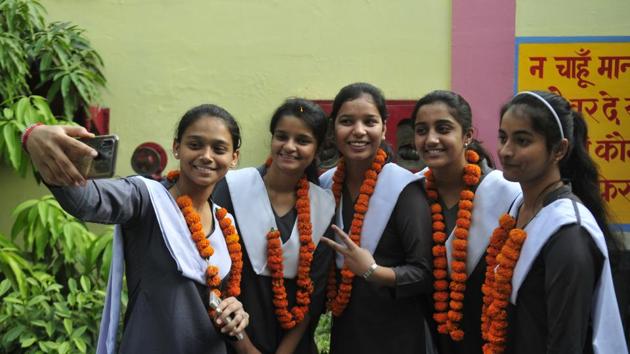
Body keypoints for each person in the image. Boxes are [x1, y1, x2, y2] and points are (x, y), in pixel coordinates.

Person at [24, 104, 250, 354]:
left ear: (234, 158)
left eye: (219, 149)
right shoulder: (146, 198)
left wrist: (236, 311)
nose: (206, 156)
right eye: (195, 145)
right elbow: (87, 201)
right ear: (176, 147)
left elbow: (219, 296)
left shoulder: (224, 221)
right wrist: (34, 136)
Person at [481, 91, 627, 354]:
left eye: (522, 141)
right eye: (503, 138)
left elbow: (566, 341)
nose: (505, 151)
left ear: (559, 149)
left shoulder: (568, 232)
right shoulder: (519, 208)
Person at [212, 98, 335, 354]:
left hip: (293, 344)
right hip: (228, 337)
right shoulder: (231, 189)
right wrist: (246, 349)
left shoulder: (322, 207)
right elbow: (211, 274)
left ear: (318, 148)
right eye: (282, 136)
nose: (289, 147)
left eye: (302, 140)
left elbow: (312, 296)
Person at [319, 82, 433, 354]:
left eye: (369, 121)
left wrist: (373, 271)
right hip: (347, 332)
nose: (358, 131)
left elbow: (423, 273)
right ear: (334, 129)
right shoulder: (325, 185)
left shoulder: (404, 188)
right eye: (347, 121)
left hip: (398, 336)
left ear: (383, 128)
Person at [412, 90, 520, 354]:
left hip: (491, 334)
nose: (431, 139)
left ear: (468, 136)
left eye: (443, 128)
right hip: (429, 333)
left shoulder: (507, 194)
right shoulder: (411, 193)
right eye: (422, 130)